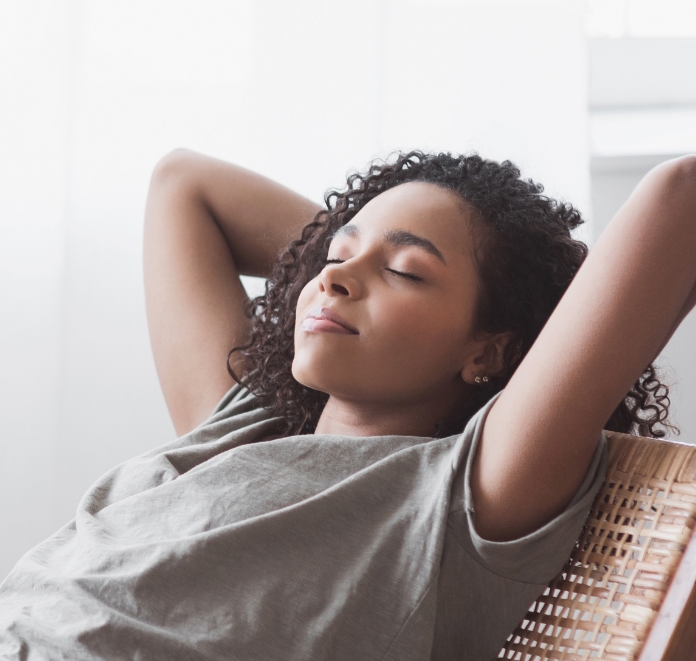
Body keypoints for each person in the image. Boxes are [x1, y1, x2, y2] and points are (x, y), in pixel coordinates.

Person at [1, 149, 695, 661]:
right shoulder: (244, 422)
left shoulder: (461, 500)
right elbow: (183, 181)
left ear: (488, 351)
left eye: (407, 271)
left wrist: (514, 288)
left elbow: (682, 200)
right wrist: (370, 265)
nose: (331, 277)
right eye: (331, 255)